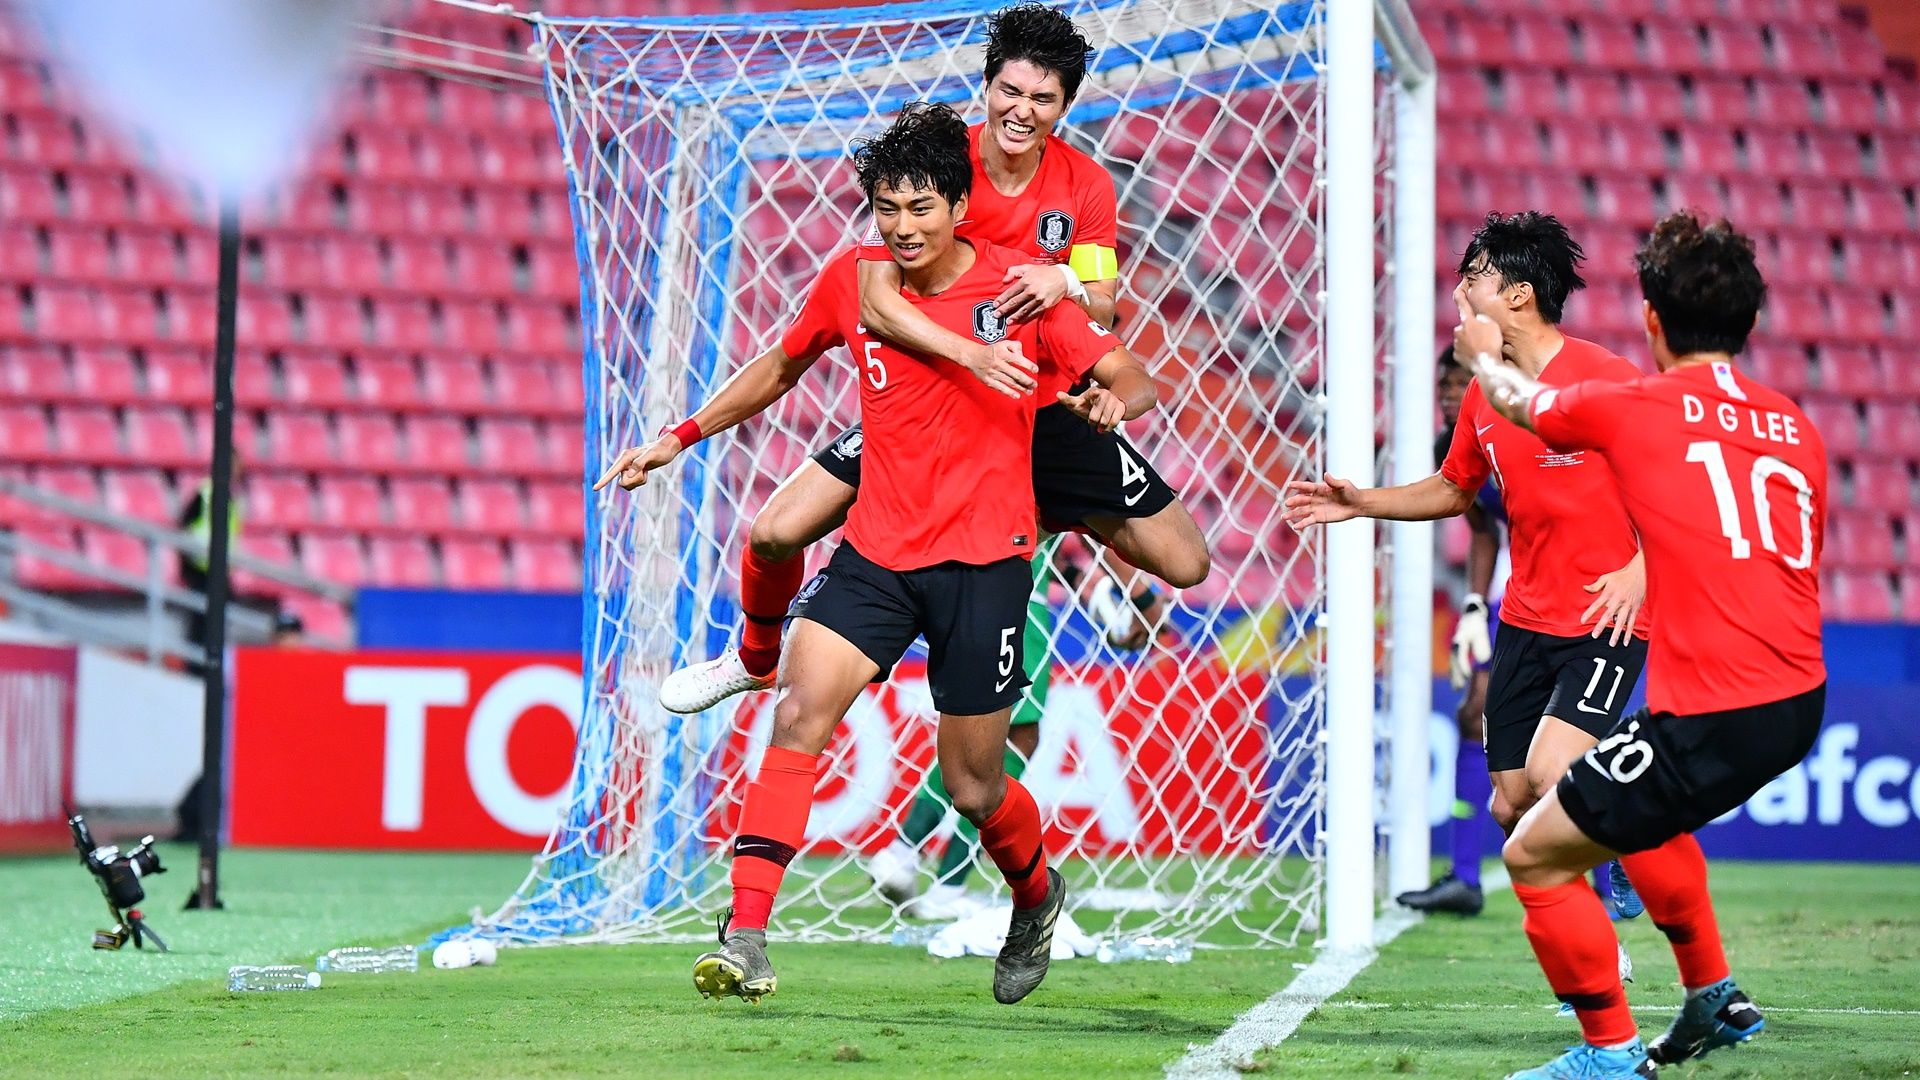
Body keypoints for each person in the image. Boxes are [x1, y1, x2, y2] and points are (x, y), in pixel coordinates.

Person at [598, 103, 1155, 1005]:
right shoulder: (852, 280)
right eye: (887, 208)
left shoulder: (1020, 289)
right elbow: (778, 368)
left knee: (975, 787)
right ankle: (746, 936)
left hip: (986, 563)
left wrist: (1112, 402)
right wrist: (681, 435)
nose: (902, 227)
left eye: (922, 207)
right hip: (879, 553)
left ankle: (1038, 896)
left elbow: (1122, 369)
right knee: (797, 715)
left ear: (959, 203)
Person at [657, 1, 1208, 721]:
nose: (1022, 110)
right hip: (927, 415)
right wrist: (965, 354)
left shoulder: (1086, 187)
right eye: (1010, 91)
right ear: (987, 87)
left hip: (1040, 408)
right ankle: (754, 660)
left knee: (1186, 563)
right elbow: (874, 287)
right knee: (775, 529)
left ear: (1065, 105)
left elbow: (1101, 304)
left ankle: (1042, 524)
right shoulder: (941, 168)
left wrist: (1065, 281)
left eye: (1042, 98)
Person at [1461, 211, 1826, 1080]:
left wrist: (1481, 352)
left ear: (1654, 322)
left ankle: (1610, 1056)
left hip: (1713, 710)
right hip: (1800, 699)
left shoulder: (1636, 408)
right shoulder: (1797, 427)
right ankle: (1713, 994)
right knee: (1584, 803)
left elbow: (1521, 403)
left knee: (1532, 852)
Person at [1283, 212, 1647, 914]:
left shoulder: (1606, 377)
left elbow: (1676, 489)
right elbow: (1455, 490)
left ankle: (1638, 836)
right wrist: (1364, 502)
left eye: (1473, 280)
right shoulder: (1482, 394)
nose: (1458, 297)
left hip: (1609, 613)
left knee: (1549, 774)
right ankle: (1600, 934)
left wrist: (1642, 570)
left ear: (1518, 296)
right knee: (1512, 808)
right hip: (1528, 618)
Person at [1394, 350, 1505, 917]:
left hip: (1568, 582)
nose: (1447, 390)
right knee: (1473, 715)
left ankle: (1613, 860)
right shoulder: (1452, 448)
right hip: (1516, 584)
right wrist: (1473, 607)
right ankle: (1465, 877)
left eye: (1461, 381)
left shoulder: (1515, 430)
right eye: (1444, 380)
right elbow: (1485, 529)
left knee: (1513, 727)